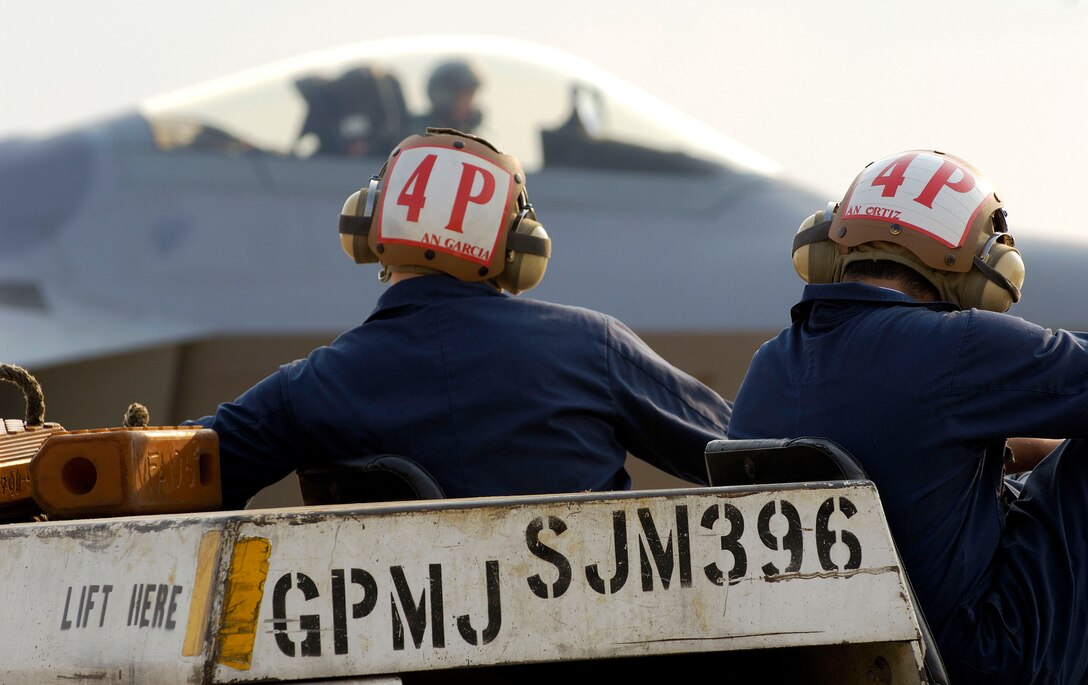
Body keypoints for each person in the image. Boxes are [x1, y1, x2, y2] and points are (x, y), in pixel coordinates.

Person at [185, 128, 731, 510]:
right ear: (519, 250)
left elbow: (165, 475)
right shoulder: (594, 348)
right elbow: (753, 455)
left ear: (368, 228)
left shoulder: (307, 390)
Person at [727, 148, 1088, 684]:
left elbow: (905, 450)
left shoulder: (771, 363)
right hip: (978, 659)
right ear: (976, 265)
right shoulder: (957, 346)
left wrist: (1009, 451)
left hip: (838, 660)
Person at [408, 60, 484, 134]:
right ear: (444, 97)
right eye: (466, 97)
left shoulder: (464, 132)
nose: (471, 105)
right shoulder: (420, 135)